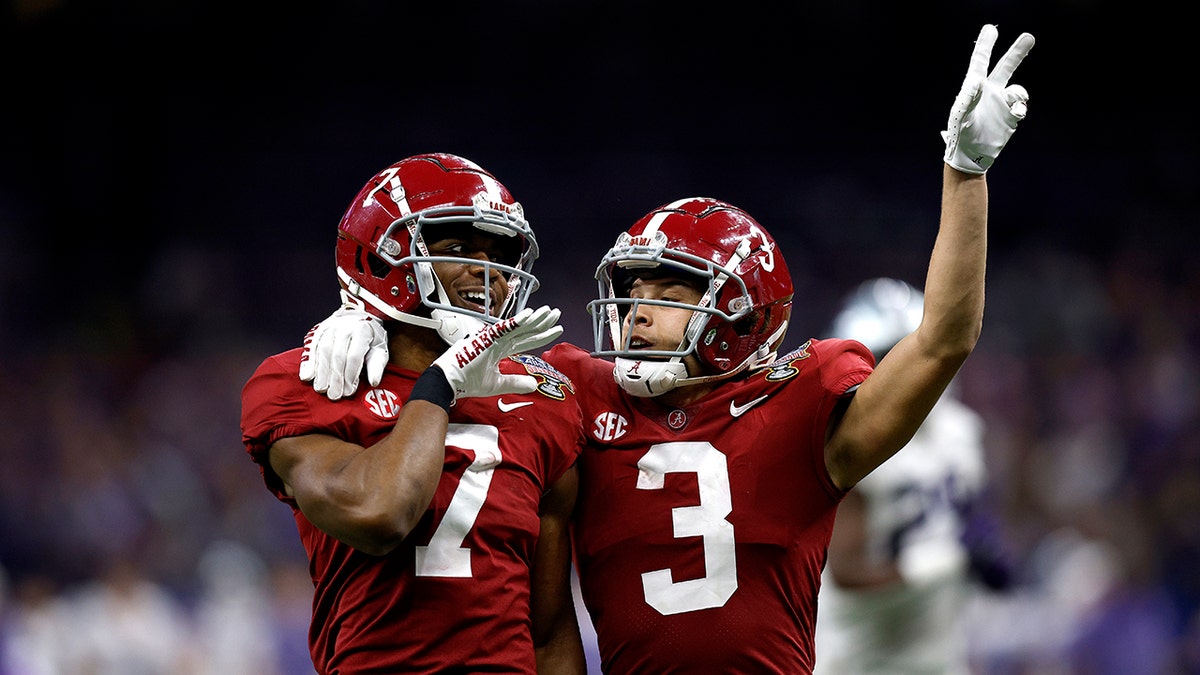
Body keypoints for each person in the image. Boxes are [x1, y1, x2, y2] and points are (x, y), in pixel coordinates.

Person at [298, 24, 1036, 673]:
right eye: (630, 288)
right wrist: (365, 313)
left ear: (742, 309)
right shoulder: (577, 391)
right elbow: (452, 371)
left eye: (667, 292)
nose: (633, 314)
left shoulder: (805, 403)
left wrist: (964, 173)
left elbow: (944, 339)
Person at [240, 153, 588, 674]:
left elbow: (551, 630)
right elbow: (379, 515)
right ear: (383, 259)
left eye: (500, 254)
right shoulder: (313, 381)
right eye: (458, 247)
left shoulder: (542, 399)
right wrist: (439, 386)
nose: (486, 271)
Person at [813, 277, 1011, 674]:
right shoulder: (852, 445)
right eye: (887, 360)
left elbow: (968, 518)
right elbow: (846, 573)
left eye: (911, 356)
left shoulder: (961, 431)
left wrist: (986, 547)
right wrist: (948, 560)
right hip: (861, 656)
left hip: (939, 652)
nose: (904, 376)